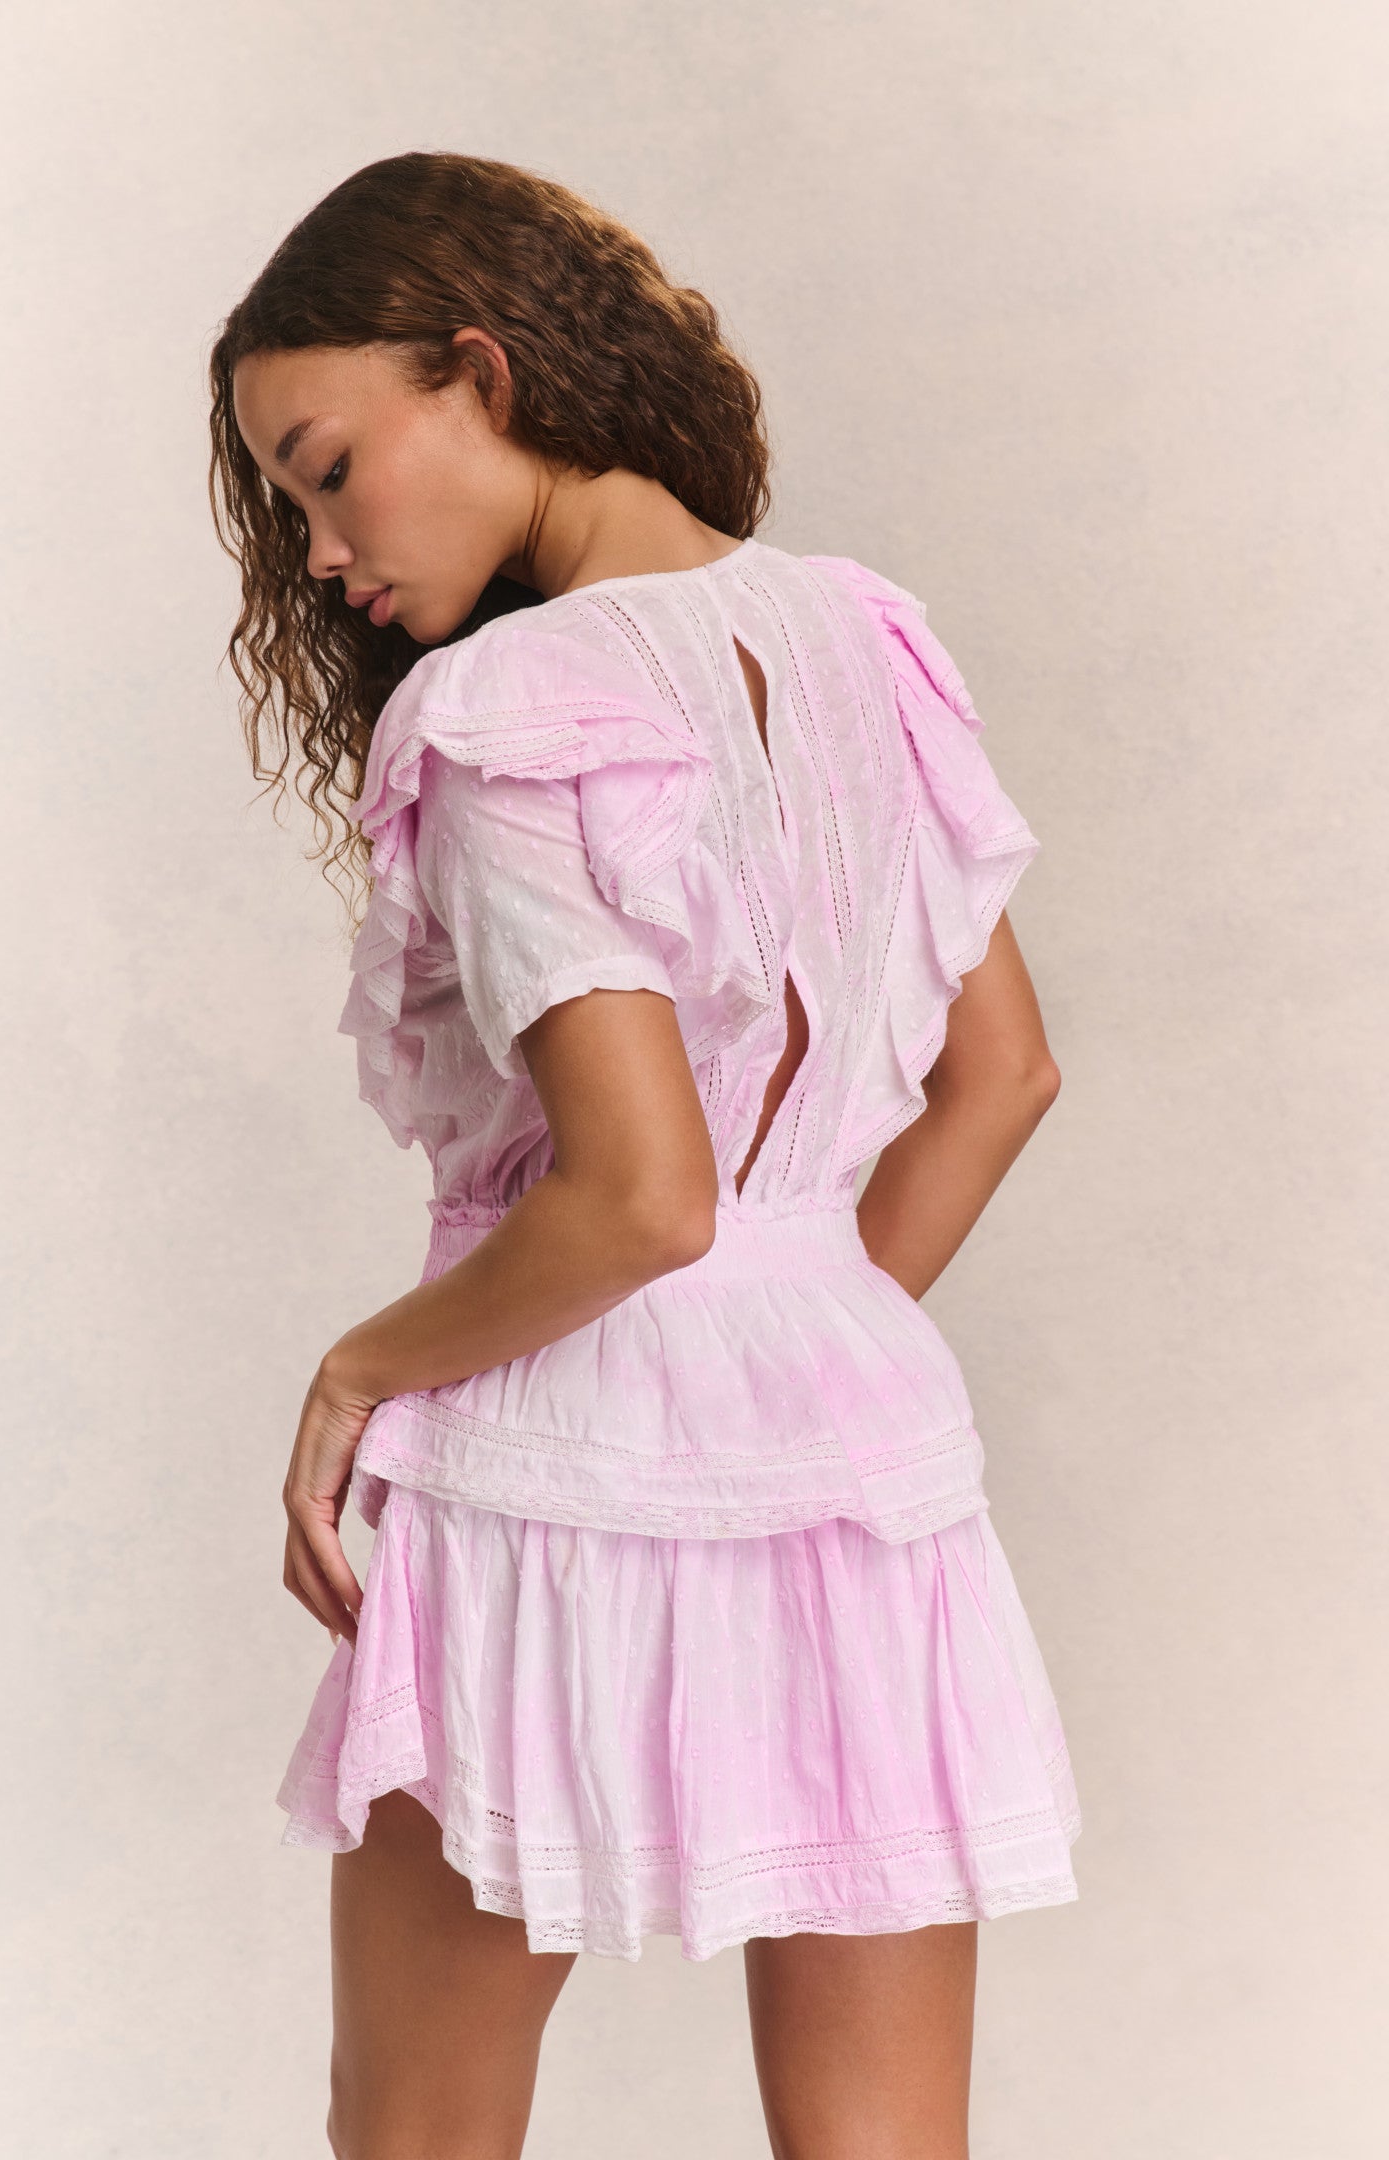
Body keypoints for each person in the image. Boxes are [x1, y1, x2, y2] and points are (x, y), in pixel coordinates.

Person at [209, 148, 1080, 2160]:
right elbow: (1004, 1079)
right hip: (861, 1461)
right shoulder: (862, 638)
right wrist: (785, 1340)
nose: (320, 551)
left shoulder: (507, 705)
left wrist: (357, 1370)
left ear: (483, 375)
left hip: (546, 1458)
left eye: (328, 471)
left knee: (414, 2130)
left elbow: (639, 1196)